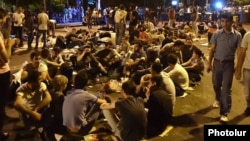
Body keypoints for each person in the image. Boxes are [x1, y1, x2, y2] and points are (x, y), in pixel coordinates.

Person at [207, 13, 242, 122]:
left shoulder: (237, 35)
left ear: (232, 22)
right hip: (217, 63)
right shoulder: (217, 34)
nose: (224, 23)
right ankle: (218, 98)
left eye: (226, 21)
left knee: (226, 89)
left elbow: (239, 52)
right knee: (216, 84)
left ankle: (224, 113)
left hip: (229, 65)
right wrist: (209, 63)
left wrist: (238, 66)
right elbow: (212, 50)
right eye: (222, 21)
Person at [62, 69, 107, 136]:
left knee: (87, 104)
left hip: (67, 128)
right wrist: (102, 95)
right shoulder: (86, 95)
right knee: (98, 105)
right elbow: (104, 102)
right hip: (79, 130)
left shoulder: (69, 93)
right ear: (86, 83)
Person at [14, 70, 52, 137]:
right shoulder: (22, 88)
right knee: (22, 109)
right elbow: (17, 104)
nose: (41, 81)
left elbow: (48, 98)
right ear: (32, 81)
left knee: (48, 105)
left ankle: (44, 127)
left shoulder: (41, 85)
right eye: (39, 80)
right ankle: (32, 129)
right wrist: (32, 113)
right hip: (28, 111)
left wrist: (36, 109)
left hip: (38, 108)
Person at [0, 7, 17, 141]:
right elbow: (6, 58)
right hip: (2, 73)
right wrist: (9, 45)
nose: (3, 22)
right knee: (1, 102)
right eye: (3, 20)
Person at [235, 31, 250, 116]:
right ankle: (249, 106)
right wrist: (238, 69)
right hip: (248, 68)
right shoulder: (248, 35)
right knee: (247, 93)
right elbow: (242, 52)